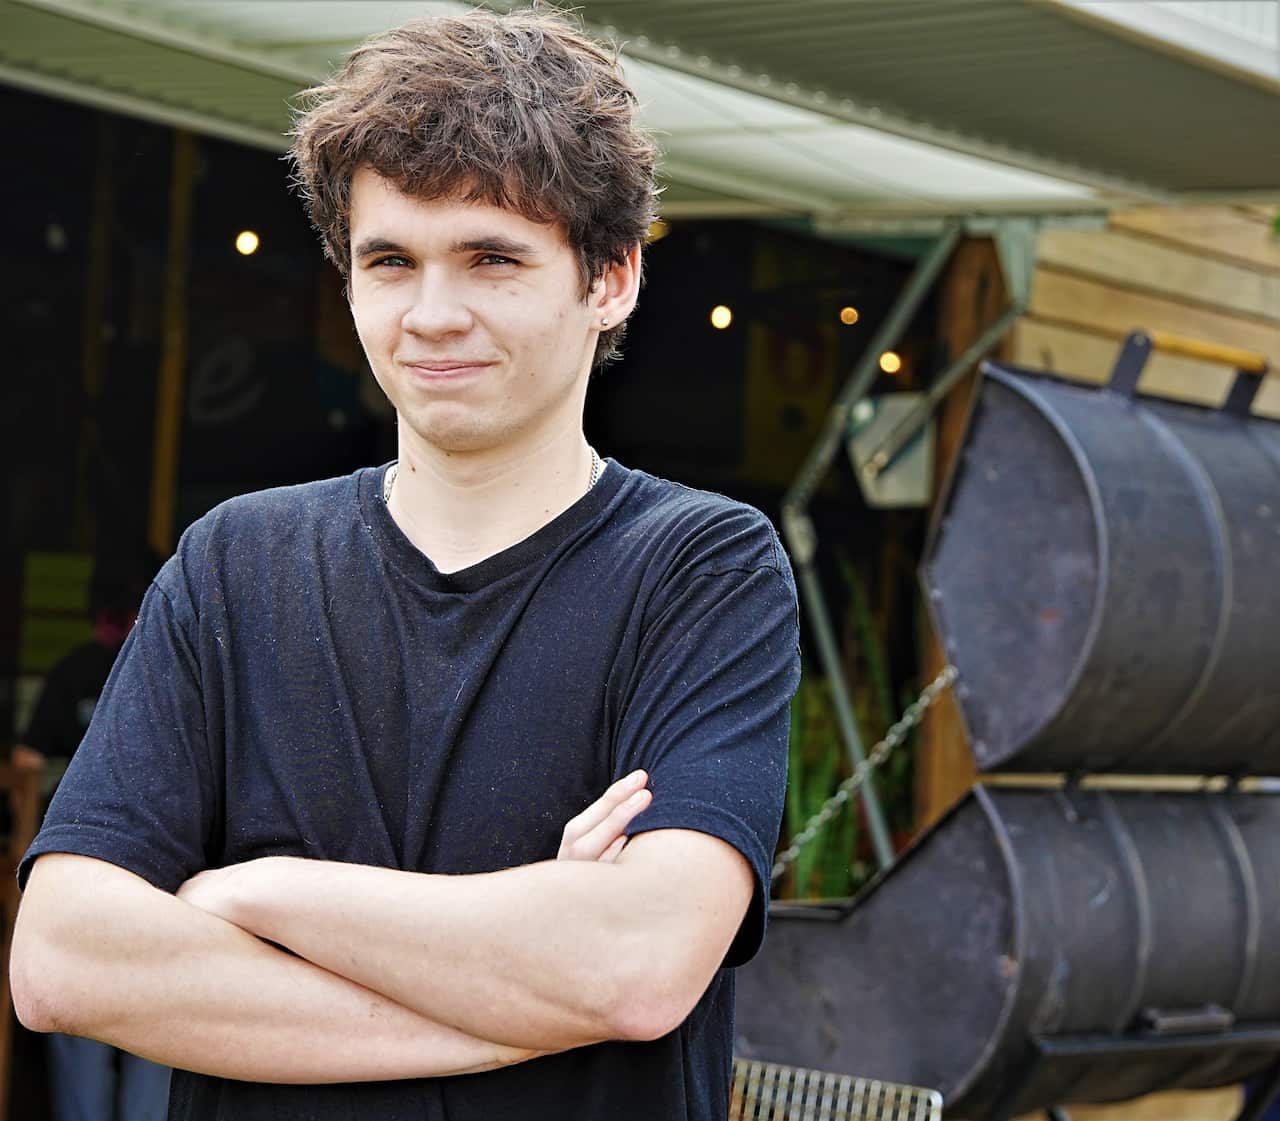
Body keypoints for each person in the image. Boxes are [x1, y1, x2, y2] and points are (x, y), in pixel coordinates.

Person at [11, 8, 800, 1120]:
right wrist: (521, 982)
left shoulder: (701, 568)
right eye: (391, 260)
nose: (432, 314)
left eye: (491, 258)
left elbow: (635, 965)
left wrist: (257, 891)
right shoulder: (236, 563)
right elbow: (62, 960)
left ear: (609, 278)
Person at [15, 549, 172, 1121]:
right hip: (165, 885)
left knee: (83, 1039)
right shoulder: (176, 663)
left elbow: (28, 764)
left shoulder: (77, 668)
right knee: (156, 1046)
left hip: (76, 879)